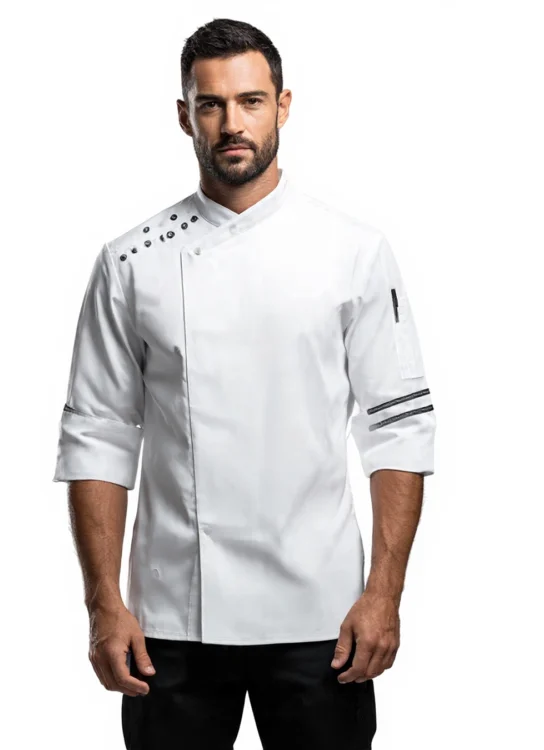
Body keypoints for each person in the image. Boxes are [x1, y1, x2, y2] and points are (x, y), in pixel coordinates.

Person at [52, 17, 436, 750]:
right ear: (184, 115)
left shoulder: (353, 252)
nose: (232, 123)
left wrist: (385, 593)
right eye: (212, 104)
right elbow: (98, 436)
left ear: (283, 106)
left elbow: (399, 429)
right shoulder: (131, 262)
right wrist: (103, 604)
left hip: (324, 618)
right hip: (170, 621)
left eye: (251, 101)